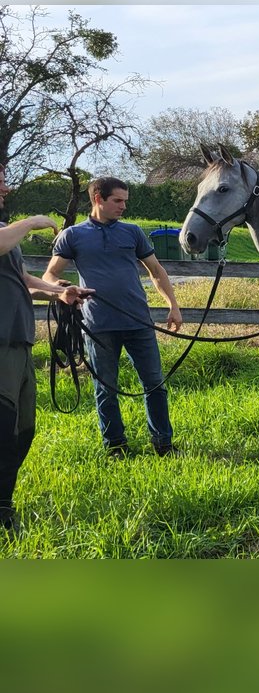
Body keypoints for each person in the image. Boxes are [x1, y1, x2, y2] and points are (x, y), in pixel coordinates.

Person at [43, 177, 184, 458]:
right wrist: (62, 290)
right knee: (105, 389)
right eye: (117, 201)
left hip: (138, 322)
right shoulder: (73, 236)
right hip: (98, 326)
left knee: (155, 385)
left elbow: (155, 271)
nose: (123, 206)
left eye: (125, 201)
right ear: (98, 199)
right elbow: (50, 275)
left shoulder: (133, 233)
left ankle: (163, 444)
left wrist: (173, 304)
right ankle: (115, 446)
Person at [0, 163, 92, 533]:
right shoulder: (8, 234)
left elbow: (20, 279)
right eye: (0, 180)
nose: (5, 187)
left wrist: (59, 292)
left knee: (23, 430)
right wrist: (31, 222)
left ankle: (4, 506)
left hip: (19, 340)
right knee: (3, 428)